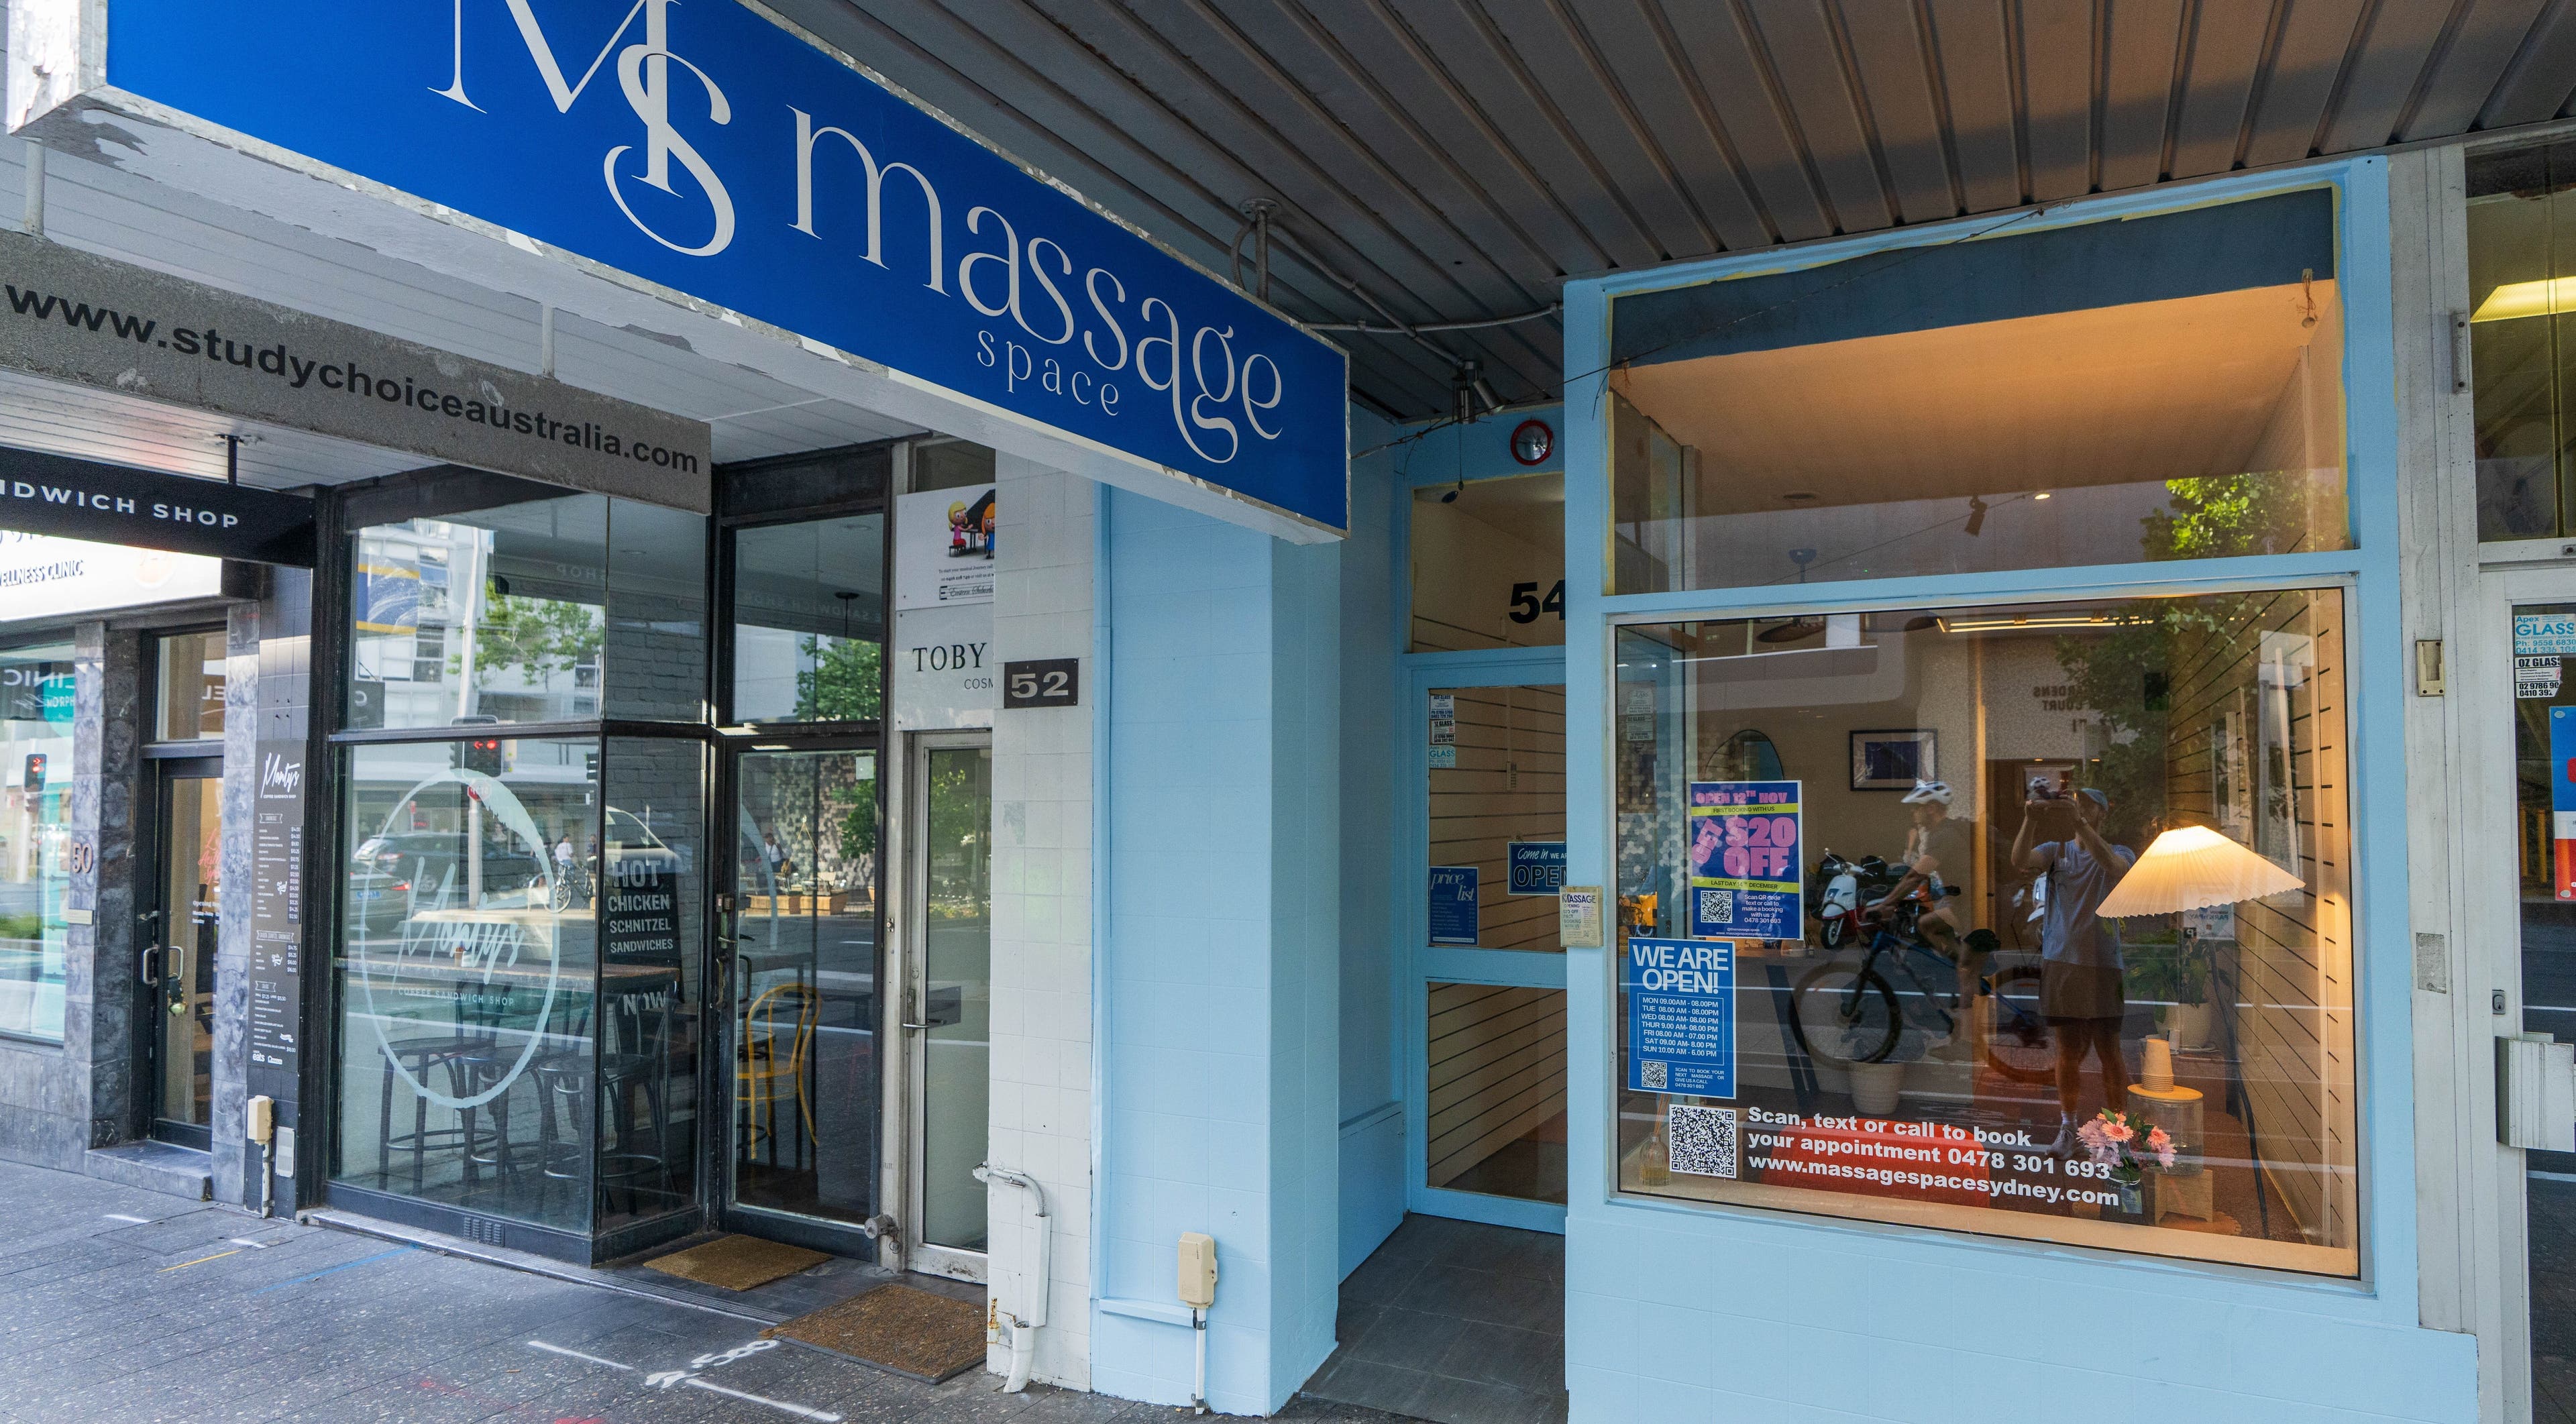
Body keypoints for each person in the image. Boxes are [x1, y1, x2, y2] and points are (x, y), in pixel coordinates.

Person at [2012, 786, 2137, 1154]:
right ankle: (2068, 1128)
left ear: (2102, 813)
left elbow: (2115, 868)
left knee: (2109, 1049)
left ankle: (2119, 1134)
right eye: (2075, 802)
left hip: (2103, 963)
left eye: (2087, 805)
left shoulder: (2119, 851)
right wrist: (2030, 819)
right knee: (2067, 1050)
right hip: (2061, 961)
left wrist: (2078, 821)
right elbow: (2019, 857)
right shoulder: (2055, 851)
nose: (2078, 807)